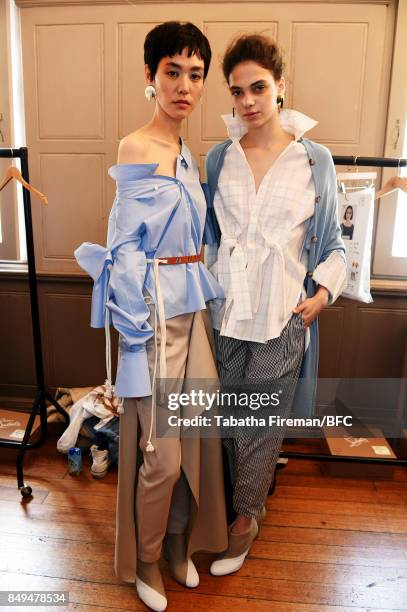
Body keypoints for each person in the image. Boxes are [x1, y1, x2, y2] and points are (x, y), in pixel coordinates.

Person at [75, 21, 228, 612]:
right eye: (172, 72)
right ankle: (144, 560)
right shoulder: (137, 147)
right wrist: (134, 338)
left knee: (195, 436)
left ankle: (176, 547)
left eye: (195, 74)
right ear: (150, 76)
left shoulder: (191, 153)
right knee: (159, 454)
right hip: (157, 316)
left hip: (195, 313)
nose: (184, 86)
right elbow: (125, 248)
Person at [204, 33, 347, 576]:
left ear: (280, 85)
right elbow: (212, 238)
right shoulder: (220, 159)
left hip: (284, 316)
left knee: (259, 425)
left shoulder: (315, 160)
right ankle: (231, 506)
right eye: (237, 91)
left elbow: (333, 242)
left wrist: (322, 296)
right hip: (226, 314)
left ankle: (245, 522)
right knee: (224, 418)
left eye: (258, 87)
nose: (247, 102)